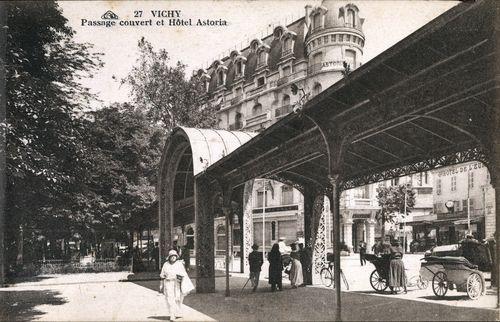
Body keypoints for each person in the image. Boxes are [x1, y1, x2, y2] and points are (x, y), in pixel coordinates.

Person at [160, 249, 194, 320]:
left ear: (176, 257)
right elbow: (162, 275)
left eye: (174, 256)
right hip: (168, 283)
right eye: (171, 256)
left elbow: (183, 274)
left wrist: (180, 279)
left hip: (177, 284)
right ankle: (172, 314)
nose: (173, 257)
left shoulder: (179, 264)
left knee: (177, 298)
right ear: (169, 257)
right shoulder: (165, 265)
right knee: (170, 299)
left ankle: (176, 312)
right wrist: (161, 285)